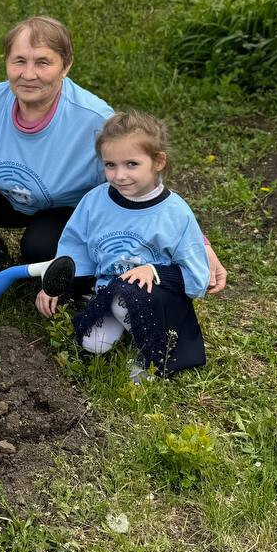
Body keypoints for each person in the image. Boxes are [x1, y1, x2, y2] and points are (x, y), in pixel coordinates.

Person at [0, 15, 226, 290]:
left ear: (66, 65)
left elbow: (144, 184)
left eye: (43, 63)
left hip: (66, 210)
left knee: (40, 250)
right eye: (19, 61)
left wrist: (199, 244)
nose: (28, 74)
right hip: (5, 196)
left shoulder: (94, 119)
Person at [36, 111, 210, 379]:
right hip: (108, 291)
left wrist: (154, 271)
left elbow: (197, 277)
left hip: (157, 299)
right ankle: (123, 322)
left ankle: (150, 351)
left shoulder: (175, 213)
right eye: (110, 165)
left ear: (158, 161)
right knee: (92, 344)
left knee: (125, 299)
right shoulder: (95, 201)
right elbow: (75, 246)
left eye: (132, 164)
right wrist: (56, 283)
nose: (119, 175)